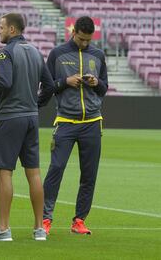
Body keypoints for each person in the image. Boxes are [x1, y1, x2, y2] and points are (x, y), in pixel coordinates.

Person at [0, 13, 55, 241]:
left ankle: (4, 229)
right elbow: (49, 86)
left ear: (13, 30)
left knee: (4, 171)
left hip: (9, 118)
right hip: (31, 118)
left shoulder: (6, 53)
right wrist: (36, 104)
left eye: (2, 27)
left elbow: (4, 82)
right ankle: (39, 229)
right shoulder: (36, 52)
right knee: (33, 172)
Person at [42, 16, 108, 235]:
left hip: (92, 122)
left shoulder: (98, 55)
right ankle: (45, 219)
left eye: (88, 40)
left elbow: (104, 87)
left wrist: (96, 82)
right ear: (73, 32)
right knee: (56, 168)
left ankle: (79, 220)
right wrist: (65, 82)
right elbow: (48, 85)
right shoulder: (57, 54)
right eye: (81, 39)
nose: (85, 44)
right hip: (66, 122)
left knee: (89, 174)